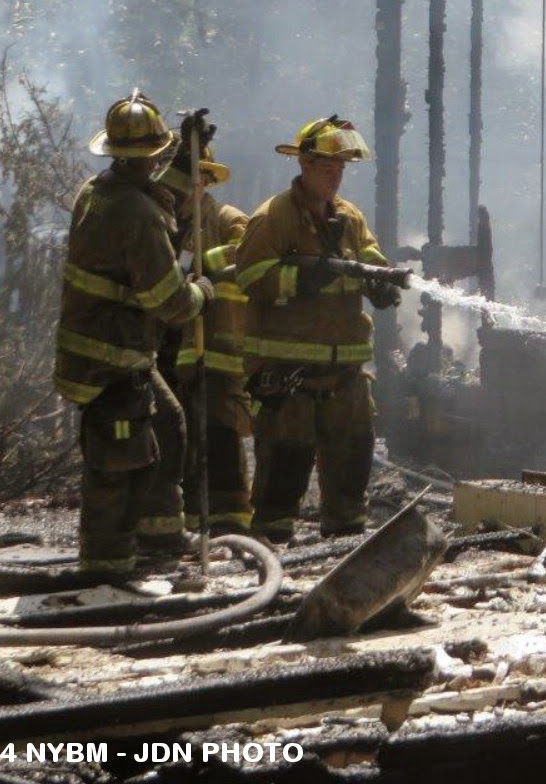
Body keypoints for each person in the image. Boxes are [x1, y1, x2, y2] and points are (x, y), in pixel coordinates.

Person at [54, 91, 212, 576]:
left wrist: (187, 159)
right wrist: (205, 290)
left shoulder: (100, 190)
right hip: (111, 358)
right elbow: (170, 302)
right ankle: (106, 562)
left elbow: (161, 197)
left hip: (113, 351)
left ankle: (161, 536)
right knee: (117, 459)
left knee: (167, 425)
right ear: (150, 154)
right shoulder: (136, 215)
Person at [234, 115, 401, 543]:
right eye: (328, 167)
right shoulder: (274, 218)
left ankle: (343, 550)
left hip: (345, 371)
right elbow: (250, 276)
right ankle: (267, 556)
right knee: (284, 466)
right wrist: (301, 279)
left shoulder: (349, 217)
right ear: (305, 166)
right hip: (288, 371)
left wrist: (382, 281)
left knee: (353, 459)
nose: (336, 176)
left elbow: (369, 258)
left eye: (341, 168)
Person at [139, 113, 254, 544]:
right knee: (176, 436)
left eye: (198, 179)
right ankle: (186, 521)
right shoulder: (163, 220)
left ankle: (230, 524)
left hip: (216, 350)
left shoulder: (225, 219)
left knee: (219, 435)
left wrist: (208, 264)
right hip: (170, 349)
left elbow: (250, 256)